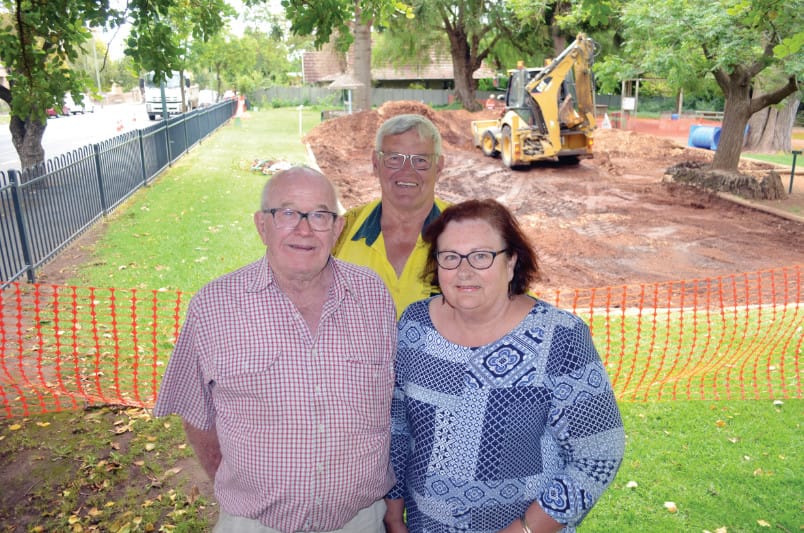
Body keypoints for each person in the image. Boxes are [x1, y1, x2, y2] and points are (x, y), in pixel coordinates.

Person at [154, 165, 398, 533]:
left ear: (337, 228)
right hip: (254, 524)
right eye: (287, 213)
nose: (304, 229)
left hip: (359, 521)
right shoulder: (214, 306)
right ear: (261, 225)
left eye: (319, 215)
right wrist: (244, 490)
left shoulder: (373, 295)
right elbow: (196, 413)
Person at [384, 199, 625, 533]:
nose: (464, 271)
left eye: (481, 256)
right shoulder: (415, 325)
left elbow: (598, 455)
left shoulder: (560, 338)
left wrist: (523, 530)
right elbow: (397, 428)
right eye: (450, 257)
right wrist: (393, 514)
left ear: (511, 261)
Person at [334, 113, 450, 317]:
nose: (407, 171)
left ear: (438, 167)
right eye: (394, 159)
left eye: (421, 160)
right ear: (375, 163)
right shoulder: (341, 231)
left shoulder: (465, 230)